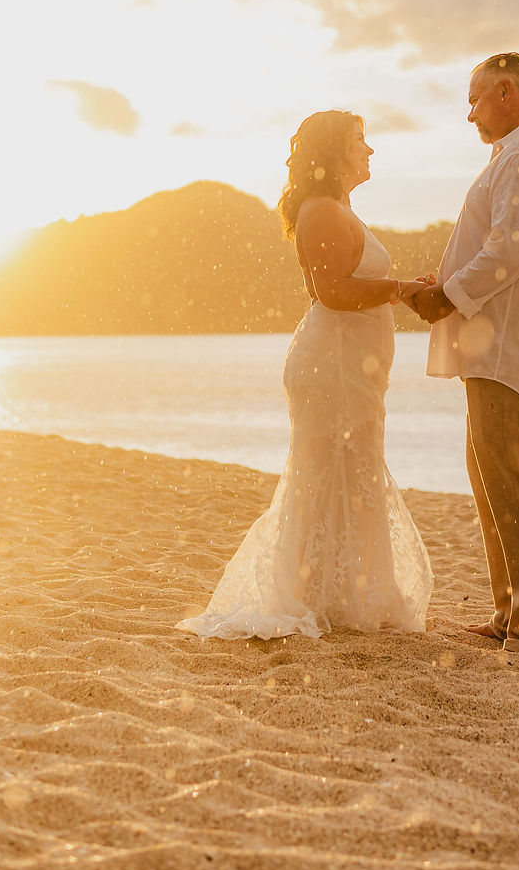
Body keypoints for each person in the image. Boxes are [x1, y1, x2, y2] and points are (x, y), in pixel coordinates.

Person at [178, 110, 433, 641]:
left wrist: (406, 289)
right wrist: (401, 289)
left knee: (352, 468)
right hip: (332, 364)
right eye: (360, 141)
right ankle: (319, 594)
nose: (370, 150)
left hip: (349, 365)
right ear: (335, 152)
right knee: (332, 470)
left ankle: (342, 593)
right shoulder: (321, 210)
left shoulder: (339, 210)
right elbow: (332, 292)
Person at [409, 53, 519, 652]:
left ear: (506, 91)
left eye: (474, 100)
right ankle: (512, 613)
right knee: (496, 485)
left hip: (512, 350)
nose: (470, 115)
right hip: (499, 348)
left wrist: (446, 296)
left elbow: (513, 250)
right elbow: (503, 244)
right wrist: (449, 284)